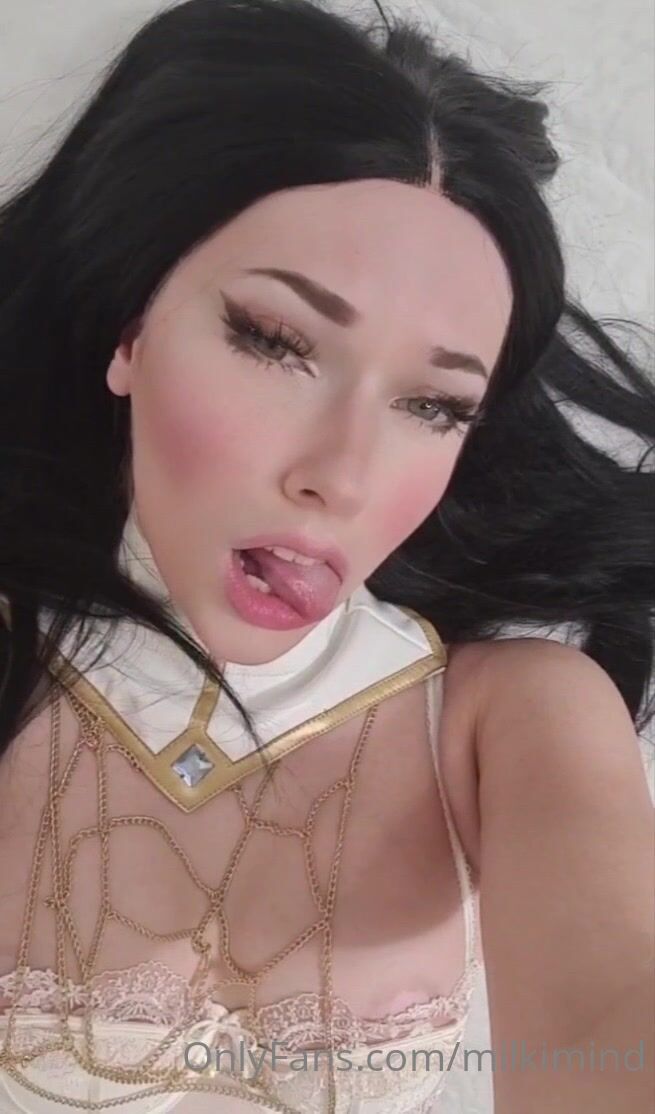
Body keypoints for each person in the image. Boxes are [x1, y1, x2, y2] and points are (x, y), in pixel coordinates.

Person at [0, 0, 653, 1110]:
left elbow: (609, 1024)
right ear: (130, 327)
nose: (341, 477)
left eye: (434, 406)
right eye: (275, 342)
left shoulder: (510, 719)